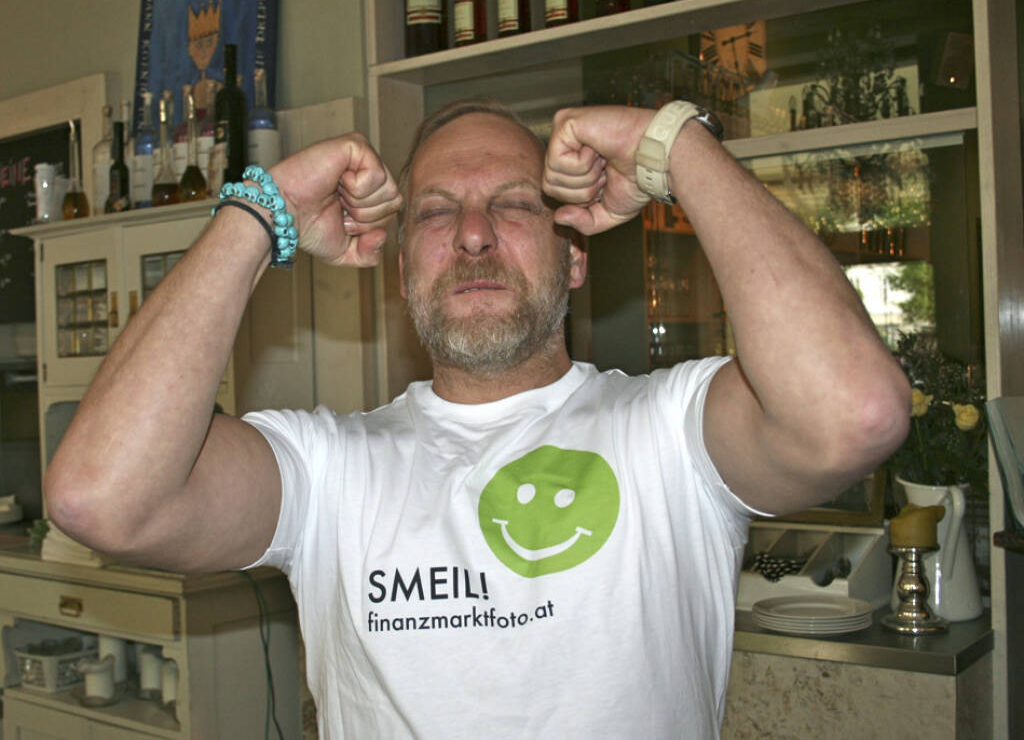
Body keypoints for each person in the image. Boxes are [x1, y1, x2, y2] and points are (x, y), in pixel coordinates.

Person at [44, 98, 910, 738]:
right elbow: (100, 498)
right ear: (400, 273)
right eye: (434, 211)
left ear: (574, 257)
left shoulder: (669, 432)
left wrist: (677, 145)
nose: (471, 234)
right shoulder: (327, 469)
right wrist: (256, 212)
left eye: (515, 203)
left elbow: (855, 413)